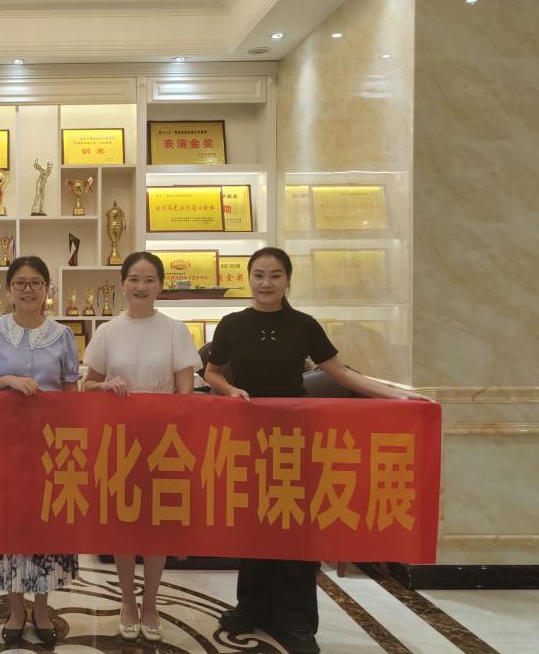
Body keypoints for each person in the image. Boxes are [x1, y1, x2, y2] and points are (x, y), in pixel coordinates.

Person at [204, 246, 430, 654]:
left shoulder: (303, 325)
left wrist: (399, 396)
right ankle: (251, 606)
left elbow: (341, 373)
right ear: (248, 278)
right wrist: (230, 390)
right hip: (249, 438)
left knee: (293, 527)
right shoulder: (232, 324)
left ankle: (297, 621)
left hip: (295, 440)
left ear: (287, 280)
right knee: (254, 524)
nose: (266, 283)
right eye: (259, 275)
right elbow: (212, 372)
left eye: (275, 275)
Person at [82, 251, 200, 643]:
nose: (141, 286)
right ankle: (127, 602)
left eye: (149, 279)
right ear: (122, 284)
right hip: (118, 442)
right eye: (134, 279)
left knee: (156, 527)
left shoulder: (175, 331)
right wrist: (105, 385)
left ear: (161, 286)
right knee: (123, 524)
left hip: (163, 442)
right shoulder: (108, 331)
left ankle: (150, 603)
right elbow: (87, 385)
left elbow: (186, 394)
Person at [0, 256, 80, 648]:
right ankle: (15, 608)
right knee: (10, 524)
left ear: (47, 289)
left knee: (47, 524)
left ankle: (42, 609)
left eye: (36, 283)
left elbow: (70, 390)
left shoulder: (62, 334)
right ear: (9, 289)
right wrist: (8, 380)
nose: (28, 290)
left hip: (51, 448)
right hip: (5, 445)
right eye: (20, 283)